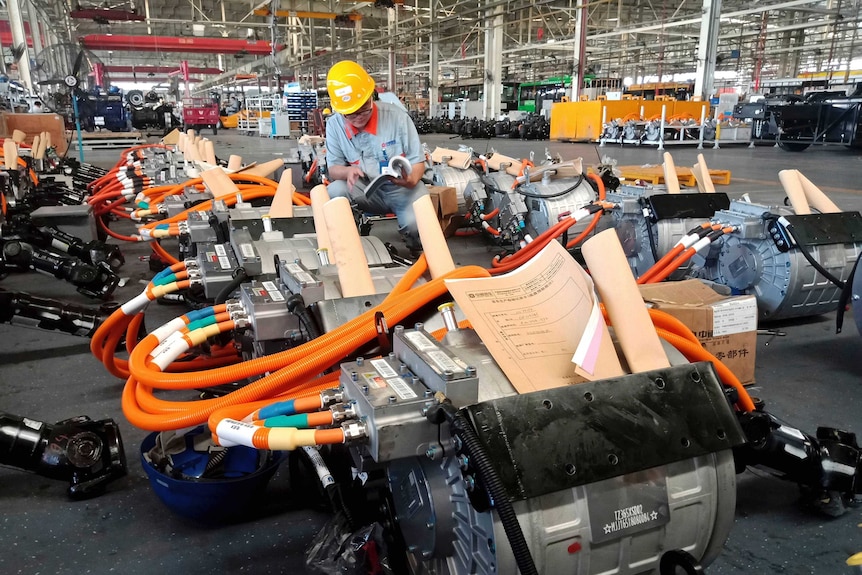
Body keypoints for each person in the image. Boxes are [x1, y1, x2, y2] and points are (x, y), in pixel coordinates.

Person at [324, 60, 428, 256]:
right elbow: (333, 168)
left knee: (418, 222)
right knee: (334, 191)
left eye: (364, 109)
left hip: (402, 189)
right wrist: (347, 171)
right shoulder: (334, 126)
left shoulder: (397, 118)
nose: (358, 118)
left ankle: (417, 249)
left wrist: (410, 179)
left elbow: (418, 162)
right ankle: (350, 247)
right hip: (365, 189)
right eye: (351, 115)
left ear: (371, 97)